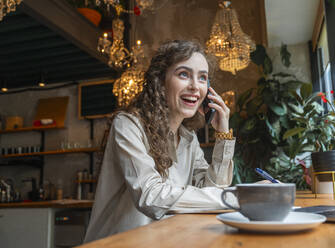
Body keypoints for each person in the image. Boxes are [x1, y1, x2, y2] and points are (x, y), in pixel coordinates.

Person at [84, 40, 236, 243]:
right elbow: (151, 196)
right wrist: (233, 197)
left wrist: (223, 136)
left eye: (202, 78)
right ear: (161, 81)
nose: (195, 86)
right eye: (184, 74)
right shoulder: (128, 125)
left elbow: (212, 191)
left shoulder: (189, 139)